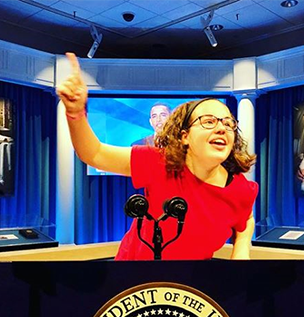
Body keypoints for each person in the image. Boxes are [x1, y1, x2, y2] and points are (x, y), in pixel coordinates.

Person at [57, 53, 258, 260]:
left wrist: (241, 253)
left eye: (228, 123)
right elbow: (95, 154)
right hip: (135, 281)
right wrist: (75, 113)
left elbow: (246, 220)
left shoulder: (241, 189)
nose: (221, 128)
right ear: (185, 136)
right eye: (209, 121)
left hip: (188, 287)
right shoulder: (159, 162)